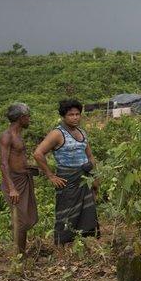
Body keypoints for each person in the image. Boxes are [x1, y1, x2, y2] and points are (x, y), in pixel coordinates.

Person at [33, 99, 100, 244]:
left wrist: (92, 170)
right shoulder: (57, 134)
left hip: (84, 177)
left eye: (77, 114)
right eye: (71, 114)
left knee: (87, 210)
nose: (75, 117)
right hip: (68, 179)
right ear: (64, 116)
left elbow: (90, 155)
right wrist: (51, 176)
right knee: (66, 212)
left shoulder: (82, 132)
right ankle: (63, 244)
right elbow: (38, 154)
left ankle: (84, 241)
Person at [0, 103, 38, 255]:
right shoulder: (6, 136)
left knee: (26, 219)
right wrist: (12, 188)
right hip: (14, 183)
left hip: (23, 179)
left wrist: (30, 168)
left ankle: (21, 253)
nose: (29, 120)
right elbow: (3, 163)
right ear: (21, 118)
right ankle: (19, 257)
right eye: (27, 117)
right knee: (22, 220)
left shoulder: (18, 135)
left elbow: (17, 159)